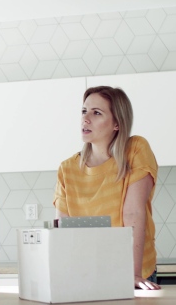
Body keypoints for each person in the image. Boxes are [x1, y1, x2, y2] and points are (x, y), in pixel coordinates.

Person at [53, 86, 160, 290]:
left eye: (97, 113)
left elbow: (133, 212)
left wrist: (133, 274)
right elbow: (63, 229)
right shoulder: (67, 169)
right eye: (84, 111)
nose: (85, 119)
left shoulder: (136, 150)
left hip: (134, 271)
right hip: (87, 274)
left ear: (117, 123)